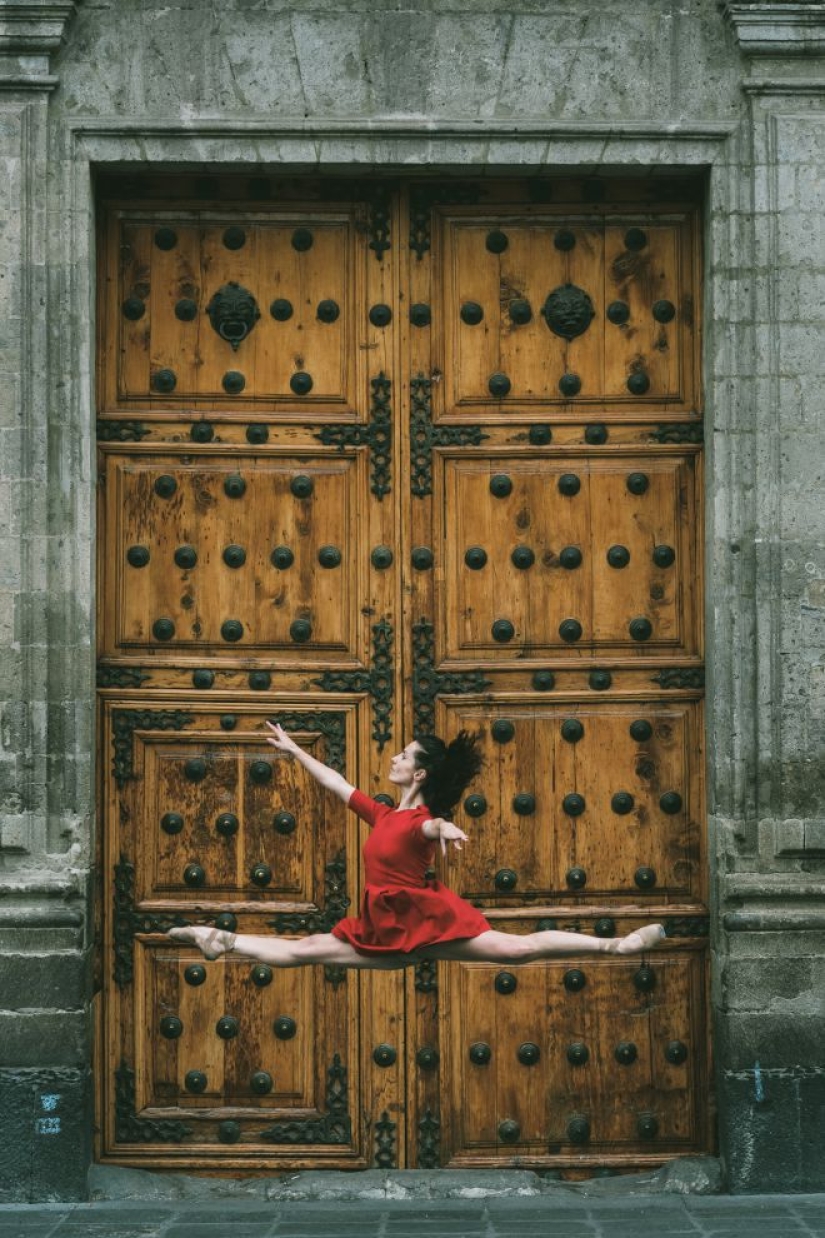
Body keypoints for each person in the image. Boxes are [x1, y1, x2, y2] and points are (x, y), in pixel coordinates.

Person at [168, 721, 666, 966]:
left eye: (404, 756)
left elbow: (430, 829)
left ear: (419, 772)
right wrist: (296, 750)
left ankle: (616, 945)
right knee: (304, 951)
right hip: (384, 929)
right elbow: (337, 783)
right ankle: (222, 940)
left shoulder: (419, 820)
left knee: (519, 948)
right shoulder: (385, 813)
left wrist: (446, 829)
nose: (395, 757)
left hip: (425, 926)